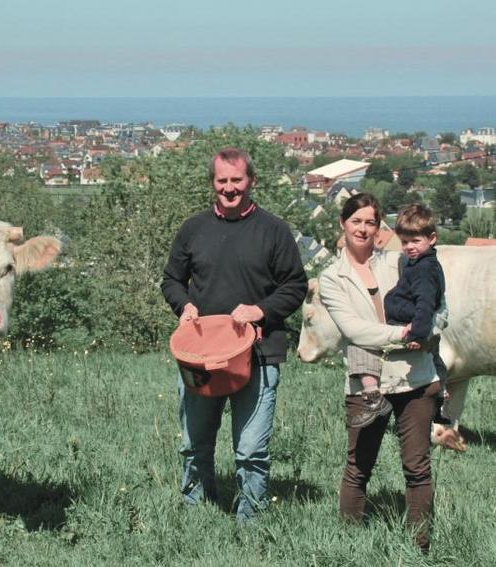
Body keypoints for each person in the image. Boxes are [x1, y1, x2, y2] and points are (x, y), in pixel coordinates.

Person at [161, 147, 307, 523]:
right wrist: (185, 307)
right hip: (201, 356)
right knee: (194, 444)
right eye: (222, 181)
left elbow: (295, 285)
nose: (229, 188)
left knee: (250, 450)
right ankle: (198, 513)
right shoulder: (193, 229)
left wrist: (260, 310)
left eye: (237, 180)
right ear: (213, 183)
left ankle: (251, 522)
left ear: (251, 181)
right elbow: (172, 279)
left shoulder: (274, 230)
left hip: (258, 355)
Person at [318, 193, 443, 551]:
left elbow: (438, 304)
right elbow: (354, 329)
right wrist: (404, 334)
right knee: (358, 467)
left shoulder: (402, 261)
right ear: (343, 224)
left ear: (379, 227)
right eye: (355, 220)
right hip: (366, 381)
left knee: (417, 468)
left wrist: (431, 328)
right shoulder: (332, 277)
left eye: (370, 221)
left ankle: (420, 548)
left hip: (414, 377)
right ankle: (349, 547)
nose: (362, 228)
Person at [344, 202, 448, 428]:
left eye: (415, 241)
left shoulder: (423, 269)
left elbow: (425, 304)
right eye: (404, 242)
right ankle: (442, 391)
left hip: (409, 326)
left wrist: (417, 334)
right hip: (409, 322)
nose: (409, 247)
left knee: (359, 345)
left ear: (432, 238)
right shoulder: (419, 262)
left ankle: (372, 396)